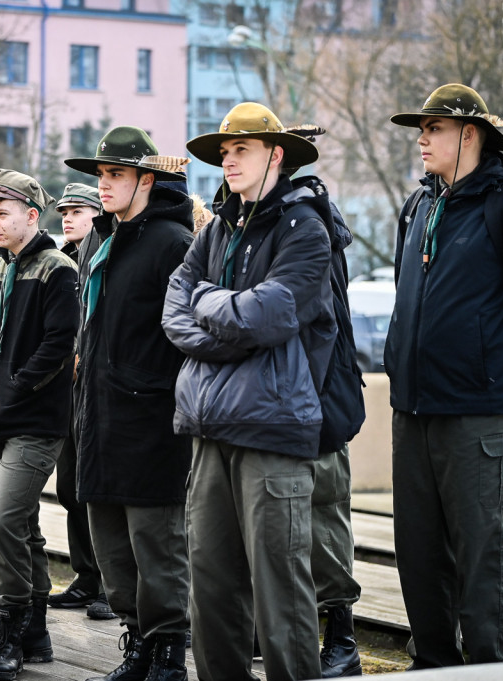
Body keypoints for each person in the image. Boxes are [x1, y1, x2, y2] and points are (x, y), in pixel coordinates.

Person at [386, 84, 503, 668]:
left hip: (477, 419)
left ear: (471, 134)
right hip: (412, 413)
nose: (421, 139)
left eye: (433, 129)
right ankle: (432, 668)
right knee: (418, 557)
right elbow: (404, 295)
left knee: (482, 563)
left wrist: (502, 382)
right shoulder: (419, 206)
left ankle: (489, 673)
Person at [162, 102, 334, 681]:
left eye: (242, 150)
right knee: (209, 584)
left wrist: (208, 303)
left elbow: (270, 315)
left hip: (272, 429)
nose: (228, 161)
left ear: (276, 156)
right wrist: (221, 323)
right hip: (209, 427)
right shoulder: (218, 229)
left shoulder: (305, 228)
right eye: (224, 152)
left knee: (280, 590)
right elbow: (173, 307)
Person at [66, 127, 194, 681]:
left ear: (146, 179)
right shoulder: (99, 240)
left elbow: (188, 334)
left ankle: (168, 646)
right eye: (100, 175)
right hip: (98, 415)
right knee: (112, 545)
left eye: (115, 174)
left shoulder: (173, 242)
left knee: (156, 541)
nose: (103, 185)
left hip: (150, 419)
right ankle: (137, 638)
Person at [0, 169, 78, 680]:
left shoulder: (57, 268)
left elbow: (60, 342)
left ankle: (6, 630)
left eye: (2, 212)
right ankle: (34, 632)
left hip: (34, 419)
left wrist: (15, 387)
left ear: (32, 215)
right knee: (17, 524)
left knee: (4, 522)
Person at [282, 124, 366, 678]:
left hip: (318, 398)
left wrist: (307, 402)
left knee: (324, 519)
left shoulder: (307, 221)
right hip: (281, 400)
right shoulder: (250, 220)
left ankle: (340, 635)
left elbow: (322, 328)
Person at [44, 182, 114, 620]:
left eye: (77, 211)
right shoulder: (64, 260)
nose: (67, 218)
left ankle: (112, 583)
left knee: (101, 489)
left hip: (98, 387)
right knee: (70, 488)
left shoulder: (105, 252)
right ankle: (87, 575)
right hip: (67, 390)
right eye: (64, 212)